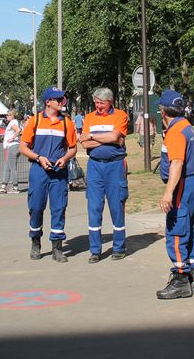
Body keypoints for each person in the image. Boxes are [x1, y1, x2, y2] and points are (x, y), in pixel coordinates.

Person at [18, 87, 77, 263]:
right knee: (36, 207)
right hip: (38, 170)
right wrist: (38, 158)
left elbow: (73, 148)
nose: (61, 101)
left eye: (62, 99)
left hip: (59, 172)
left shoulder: (67, 123)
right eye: (58, 99)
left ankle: (57, 248)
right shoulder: (34, 121)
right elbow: (23, 147)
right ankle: (35, 242)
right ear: (48, 102)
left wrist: (65, 158)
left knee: (59, 208)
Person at [155, 89, 194, 299]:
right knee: (190, 227)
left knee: (176, 229)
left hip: (183, 184)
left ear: (164, 111)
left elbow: (177, 162)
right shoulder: (186, 126)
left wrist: (168, 193)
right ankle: (192, 272)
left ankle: (180, 278)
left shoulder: (176, 131)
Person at [78, 88, 129, 263]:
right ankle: (95, 250)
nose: (98, 106)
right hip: (95, 167)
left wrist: (93, 136)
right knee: (94, 207)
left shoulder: (120, 115)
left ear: (110, 102)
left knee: (117, 206)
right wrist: (107, 138)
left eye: (102, 103)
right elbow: (84, 143)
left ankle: (119, 247)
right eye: (96, 103)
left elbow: (116, 136)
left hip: (115, 166)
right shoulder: (89, 118)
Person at [0, 110, 21, 194]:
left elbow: (18, 130)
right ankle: (3, 186)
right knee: (7, 167)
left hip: (12, 147)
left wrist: (12, 138)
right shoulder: (13, 122)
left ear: (12, 116)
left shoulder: (13, 122)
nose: (6, 116)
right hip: (12, 146)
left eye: (8, 115)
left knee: (12, 168)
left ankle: (15, 187)